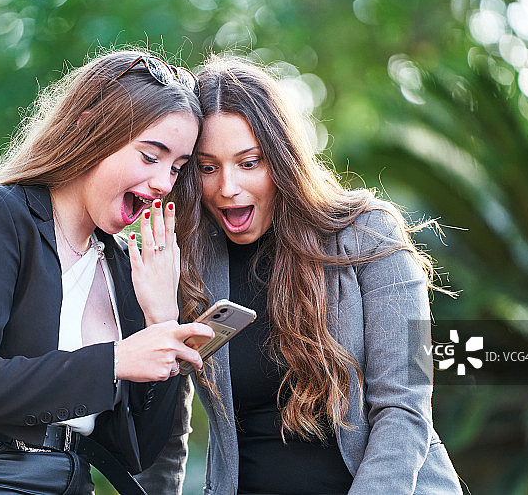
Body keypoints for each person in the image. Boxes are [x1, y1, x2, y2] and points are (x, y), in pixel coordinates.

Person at [0, 49, 216, 495]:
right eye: (149, 156)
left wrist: (162, 318)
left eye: (177, 168)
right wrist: (115, 361)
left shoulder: (125, 268)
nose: (164, 182)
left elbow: (140, 451)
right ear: (89, 129)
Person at [141, 55, 463, 494]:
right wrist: (159, 318)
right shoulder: (186, 262)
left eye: (249, 162)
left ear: (283, 159)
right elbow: (165, 429)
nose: (226, 187)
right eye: (207, 166)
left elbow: (406, 407)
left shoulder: (370, 235)